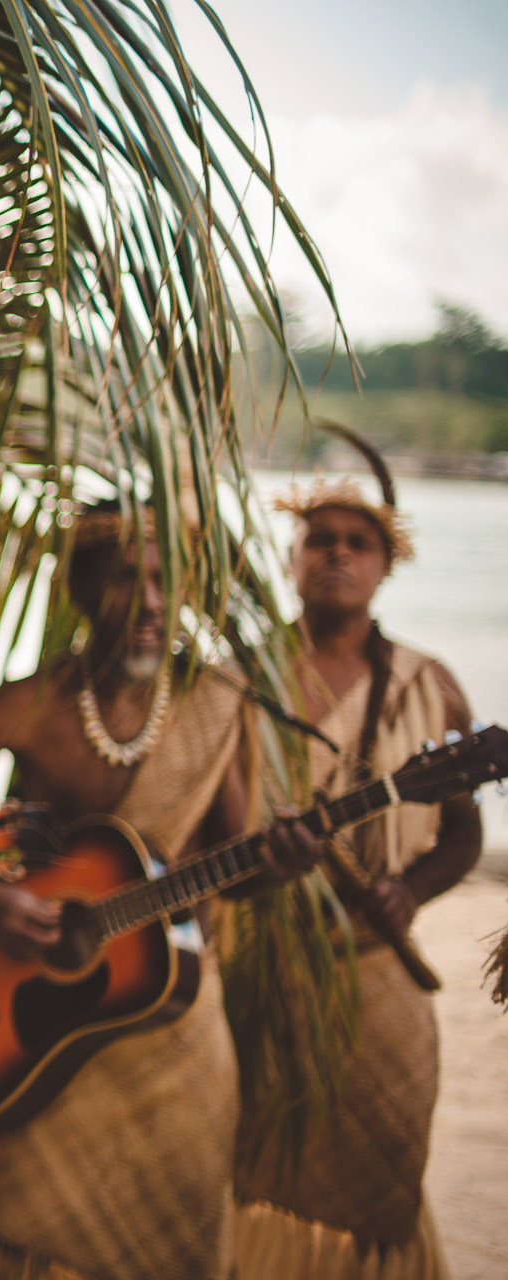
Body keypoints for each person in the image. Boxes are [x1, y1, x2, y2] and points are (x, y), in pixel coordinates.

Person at [0, 501, 317, 1280]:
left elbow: (232, 863)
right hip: (34, 1031)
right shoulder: (26, 704)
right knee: (20, 1240)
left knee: (176, 1246)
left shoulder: (217, 704)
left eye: (165, 581)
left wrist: (277, 862)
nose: (151, 602)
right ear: (77, 590)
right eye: (125, 579)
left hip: (168, 1028)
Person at [232, 436, 481, 1278]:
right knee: (238, 1165)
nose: (336, 554)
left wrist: (407, 892)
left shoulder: (429, 684)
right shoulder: (237, 679)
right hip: (252, 965)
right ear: (291, 557)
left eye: (357, 542)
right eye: (318, 539)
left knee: (380, 1176)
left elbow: (463, 835)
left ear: (384, 565)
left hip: (378, 972)